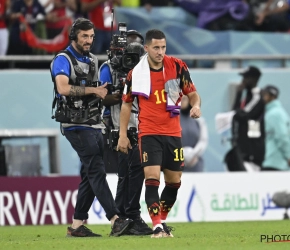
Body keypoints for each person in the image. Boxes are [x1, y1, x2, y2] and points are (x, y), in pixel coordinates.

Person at [50, 17, 132, 237]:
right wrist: (94, 92)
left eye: (92, 36)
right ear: (74, 36)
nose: (88, 40)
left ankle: (77, 226)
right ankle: (115, 218)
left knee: (88, 173)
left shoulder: (94, 60)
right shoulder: (62, 59)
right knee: (96, 168)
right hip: (74, 124)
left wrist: (118, 97)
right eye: (84, 36)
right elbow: (63, 88)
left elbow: (99, 95)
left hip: (95, 123)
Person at [117, 29, 201, 238]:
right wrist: (123, 135)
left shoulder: (178, 66)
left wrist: (196, 106)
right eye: (156, 47)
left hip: (173, 133)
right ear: (146, 48)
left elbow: (192, 93)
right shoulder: (136, 73)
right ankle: (155, 226)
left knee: (174, 181)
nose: (160, 52)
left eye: (163, 47)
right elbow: (126, 105)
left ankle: (161, 221)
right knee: (152, 177)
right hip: (149, 132)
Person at [98, 29, 153, 235]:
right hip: (120, 127)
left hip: (143, 125)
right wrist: (124, 93)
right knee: (129, 173)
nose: (132, 52)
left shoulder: (146, 69)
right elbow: (102, 97)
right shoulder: (109, 68)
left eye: (137, 47)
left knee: (130, 173)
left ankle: (124, 217)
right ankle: (131, 215)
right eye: (128, 46)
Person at [226, 66, 265, 171]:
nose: (243, 81)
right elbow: (235, 112)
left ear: (254, 79)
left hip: (252, 149)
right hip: (242, 146)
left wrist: (237, 113)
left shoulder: (258, 96)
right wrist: (238, 94)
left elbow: (243, 115)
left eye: (246, 78)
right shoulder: (246, 95)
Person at [262, 85, 290, 171]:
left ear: (273, 96)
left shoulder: (274, 114)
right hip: (279, 163)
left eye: (265, 95)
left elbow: (282, 136)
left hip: (275, 162)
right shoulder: (278, 112)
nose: (263, 97)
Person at [180, 95, 208, 172]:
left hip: (195, 163)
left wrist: (193, 153)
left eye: (184, 99)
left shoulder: (199, 121)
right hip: (177, 163)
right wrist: (181, 154)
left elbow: (203, 141)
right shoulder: (173, 119)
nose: (181, 101)